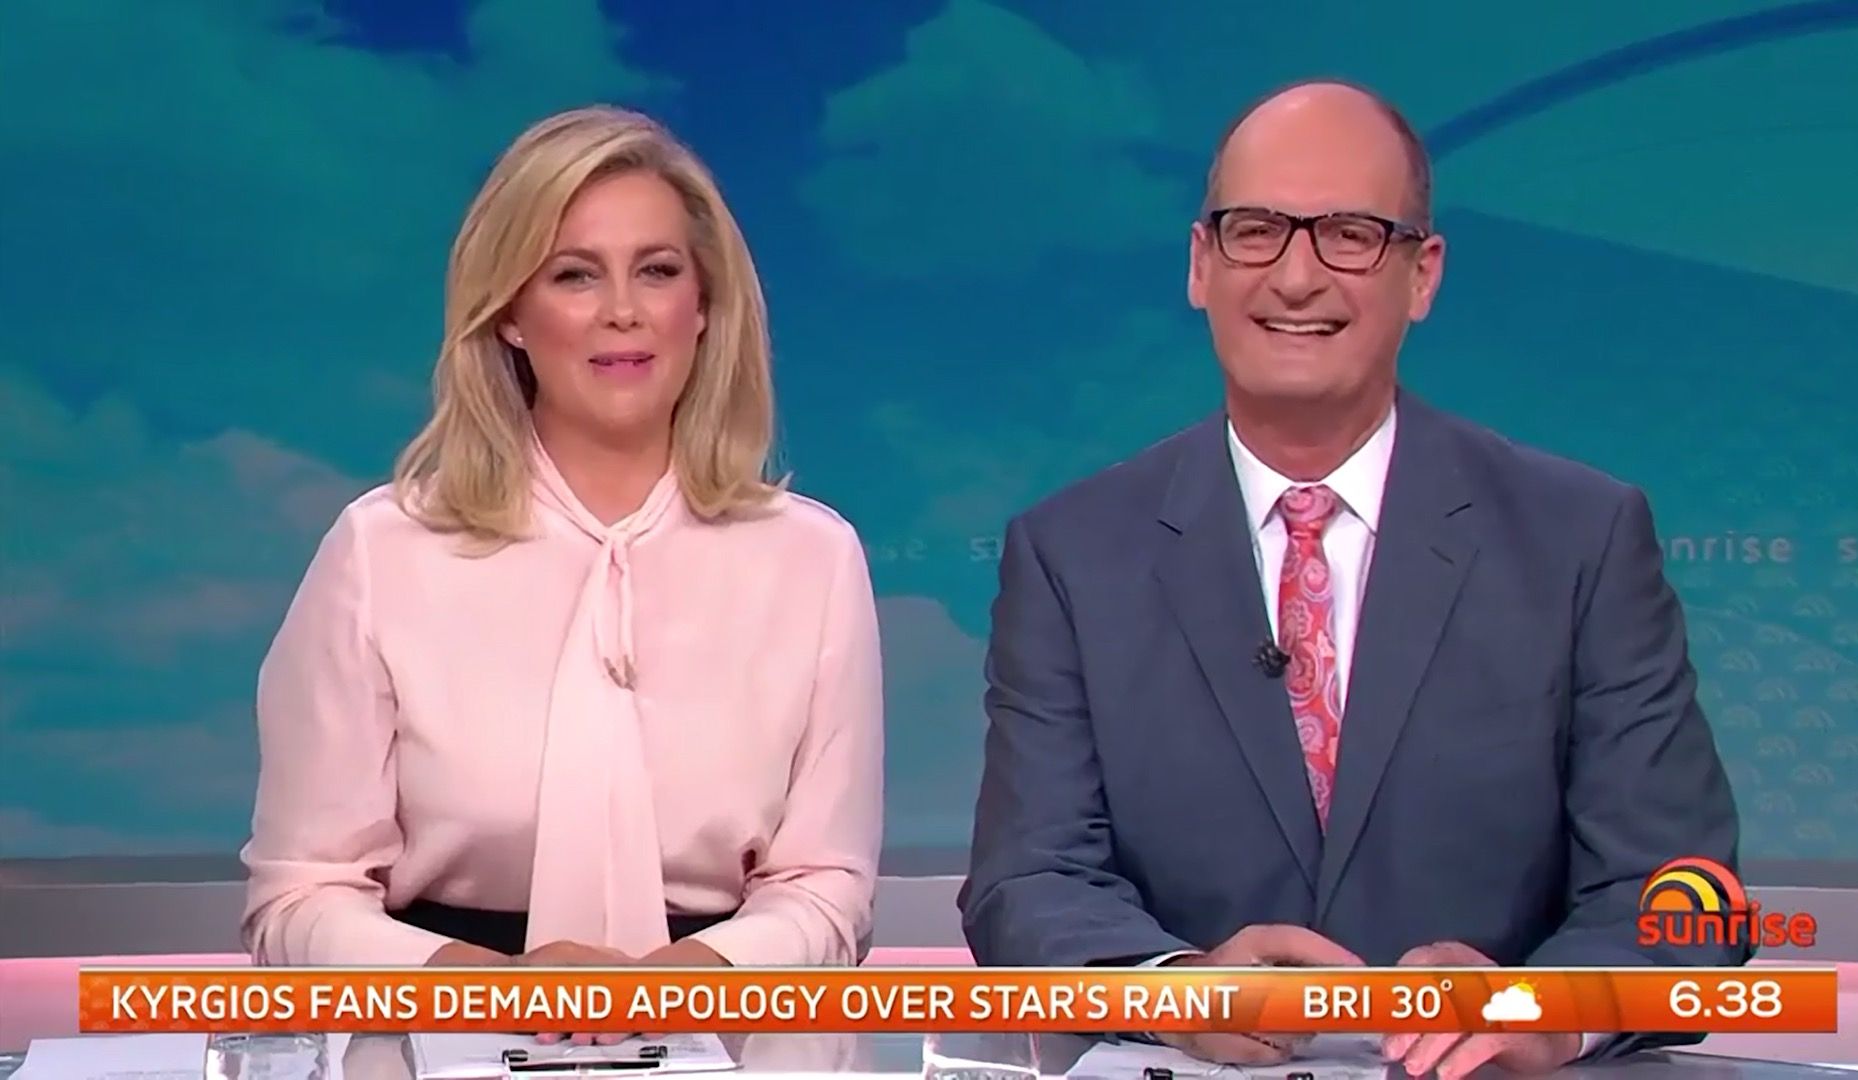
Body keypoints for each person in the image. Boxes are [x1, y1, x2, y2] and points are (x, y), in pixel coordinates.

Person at [958, 80, 1745, 1079]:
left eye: (1349, 236)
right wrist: (1177, 991)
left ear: (1423, 275)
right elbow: (1027, 880)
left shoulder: (1581, 538)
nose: (1297, 278)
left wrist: (1548, 1010)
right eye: (1256, 232)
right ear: (1201, 264)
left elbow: (1681, 895)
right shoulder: (1071, 552)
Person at [242, 107, 883, 988]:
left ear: (702, 306)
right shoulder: (381, 550)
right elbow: (299, 899)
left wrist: (677, 985)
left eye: (657, 271)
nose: (622, 312)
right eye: (575, 275)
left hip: (727, 1020)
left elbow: (828, 888)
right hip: (443, 1016)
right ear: (511, 314)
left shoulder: (811, 557)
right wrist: (491, 990)